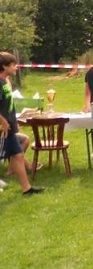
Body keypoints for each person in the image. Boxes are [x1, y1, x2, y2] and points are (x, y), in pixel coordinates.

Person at [0, 52, 44, 195]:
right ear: (4, 66)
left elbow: (8, 105)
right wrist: (3, 122)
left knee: (18, 155)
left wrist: (13, 121)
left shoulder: (6, 82)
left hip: (10, 127)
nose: (16, 67)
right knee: (11, 155)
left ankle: (27, 189)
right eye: (13, 64)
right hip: (3, 128)